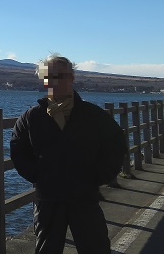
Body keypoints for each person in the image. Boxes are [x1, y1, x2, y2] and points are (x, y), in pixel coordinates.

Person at [10, 54, 126, 254]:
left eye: (61, 75)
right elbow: (18, 150)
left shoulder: (93, 115)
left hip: (84, 195)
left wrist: (97, 177)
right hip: (48, 198)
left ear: (72, 77)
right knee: (47, 249)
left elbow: (115, 146)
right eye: (50, 76)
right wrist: (39, 176)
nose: (55, 81)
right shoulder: (32, 117)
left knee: (95, 247)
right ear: (44, 81)